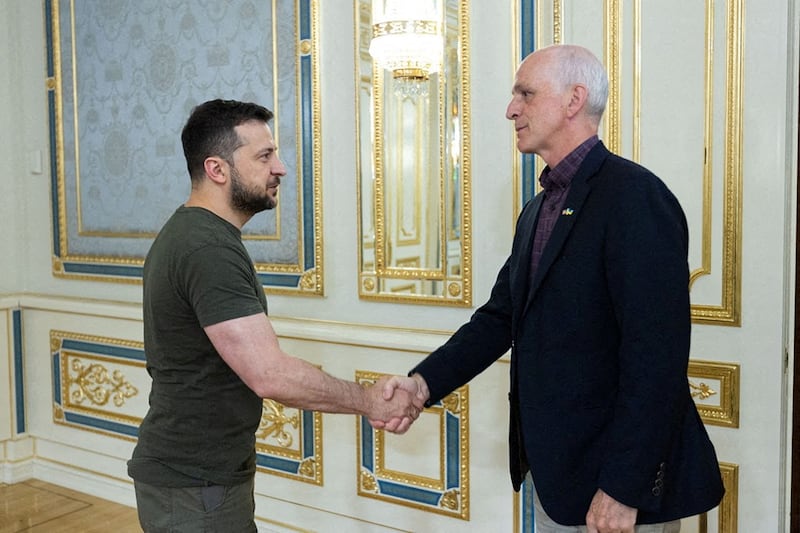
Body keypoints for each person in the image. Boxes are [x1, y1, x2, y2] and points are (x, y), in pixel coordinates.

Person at [377, 45, 725, 532]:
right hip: (558, 478)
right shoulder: (538, 209)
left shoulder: (634, 196)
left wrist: (623, 488)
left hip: (616, 487)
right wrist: (422, 383)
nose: (511, 109)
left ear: (573, 100)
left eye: (526, 93)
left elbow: (657, 358)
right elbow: (500, 318)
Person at [128, 99, 423, 532]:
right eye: (264, 156)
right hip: (194, 483)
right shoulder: (206, 247)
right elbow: (270, 374)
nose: (280, 168)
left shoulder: (198, 235)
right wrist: (368, 400)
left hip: (200, 476)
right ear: (217, 169)